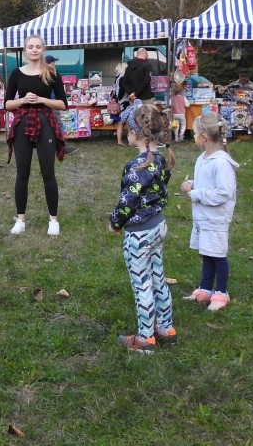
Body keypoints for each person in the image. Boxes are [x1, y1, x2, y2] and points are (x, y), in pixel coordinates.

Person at [108, 104, 177, 353]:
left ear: (136, 133)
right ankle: (166, 327)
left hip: (139, 234)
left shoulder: (137, 168)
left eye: (128, 129)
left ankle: (145, 338)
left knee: (142, 284)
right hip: (158, 226)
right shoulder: (160, 159)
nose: (126, 133)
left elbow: (128, 201)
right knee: (158, 277)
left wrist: (115, 223)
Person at [4, 35, 68, 236]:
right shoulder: (16, 73)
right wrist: (22, 100)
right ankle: (20, 220)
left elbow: (63, 104)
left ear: (43, 49)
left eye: (38, 46)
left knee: (48, 173)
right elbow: (7, 104)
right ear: (25, 50)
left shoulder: (51, 73)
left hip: (45, 123)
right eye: (30, 46)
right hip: (23, 123)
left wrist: (41, 99)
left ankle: (53, 220)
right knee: (22, 173)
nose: (34, 50)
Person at [180, 112, 239, 312]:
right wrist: (192, 185)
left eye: (195, 133)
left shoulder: (221, 163)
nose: (193, 136)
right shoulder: (203, 158)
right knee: (206, 253)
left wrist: (197, 194)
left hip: (216, 219)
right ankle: (205, 289)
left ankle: (221, 293)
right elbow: (207, 184)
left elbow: (224, 192)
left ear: (204, 136)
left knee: (218, 256)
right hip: (203, 217)